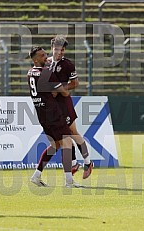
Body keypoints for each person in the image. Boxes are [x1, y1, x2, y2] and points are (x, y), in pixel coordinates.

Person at [34, 36, 93, 180]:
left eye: (62, 50)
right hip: (52, 106)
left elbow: (75, 83)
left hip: (64, 102)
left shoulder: (67, 64)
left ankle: (87, 162)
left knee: (72, 133)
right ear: (52, 48)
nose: (59, 52)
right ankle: (73, 164)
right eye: (57, 49)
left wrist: (60, 89)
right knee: (63, 137)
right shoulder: (46, 63)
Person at [27, 46, 80, 188]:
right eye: (43, 55)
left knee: (55, 145)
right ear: (36, 59)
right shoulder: (46, 73)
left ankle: (36, 176)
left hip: (41, 114)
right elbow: (64, 92)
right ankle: (69, 182)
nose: (46, 57)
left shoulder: (30, 72)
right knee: (67, 144)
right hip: (52, 114)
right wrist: (62, 88)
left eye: (46, 54)